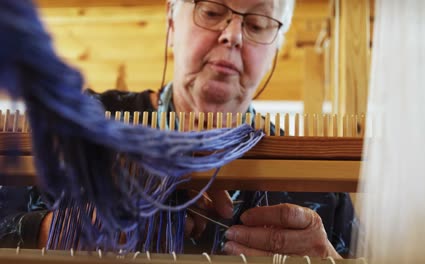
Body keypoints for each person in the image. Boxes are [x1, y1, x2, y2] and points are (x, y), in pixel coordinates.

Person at [0, 0, 355, 258]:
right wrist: (52, 230)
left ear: (275, 46)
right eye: (212, 12)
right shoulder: (79, 126)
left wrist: (329, 260)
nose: (233, 35)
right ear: (172, 22)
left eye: (259, 23)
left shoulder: (322, 183)